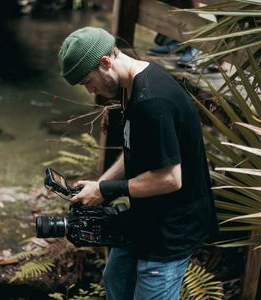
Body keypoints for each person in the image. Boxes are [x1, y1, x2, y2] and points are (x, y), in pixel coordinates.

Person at [58, 27, 218, 300]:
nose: (90, 91)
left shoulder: (152, 101)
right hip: (145, 217)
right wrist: (101, 184)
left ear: (105, 62)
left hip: (172, 229)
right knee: (115, 280)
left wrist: (107, 190)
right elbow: (134, 151)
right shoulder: (130, 86)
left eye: (88, 81)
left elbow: (170, 178)